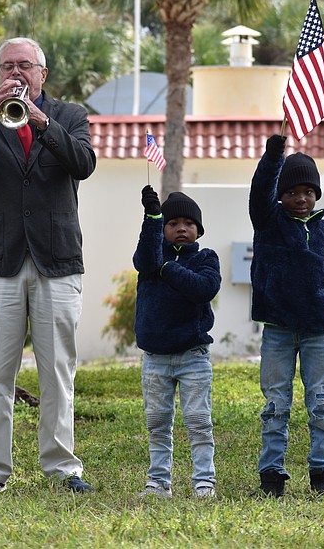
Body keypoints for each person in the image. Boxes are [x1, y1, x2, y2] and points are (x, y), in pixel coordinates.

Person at [0, 37, 96, 494]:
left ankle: (63, 468)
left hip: (57, 259)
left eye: (24, 65)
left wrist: (42, 120)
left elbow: (84, 163)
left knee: (57, 372)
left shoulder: (70, 116)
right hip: (1, 260)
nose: (15, 73)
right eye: (7, 66)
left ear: (42, 73)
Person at [248, 134, 324, 497]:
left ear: (317, 195)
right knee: (275, 406)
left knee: (322, 405)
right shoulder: (268, 222)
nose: (301, 197)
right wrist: (273, 154)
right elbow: (260, 189)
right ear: (281, 195)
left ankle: (322, 473)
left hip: (320, 333)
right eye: (292, 191)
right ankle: (271, 477)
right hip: (277, 330)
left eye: (308, 191)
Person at [133, 186, 222, 499]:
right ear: (163, 229)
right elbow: (144, 259)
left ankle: (204, 482)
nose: (181, 228)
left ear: (198, 229)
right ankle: (158, 483)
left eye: (188, 223)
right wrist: (151, 219)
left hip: (193, 356)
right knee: (157, 424)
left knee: (198, 421)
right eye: (172, 224)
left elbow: (204, 288)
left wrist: (168, 268)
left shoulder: (206, 259)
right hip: (155, 357)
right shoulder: (150, 259)